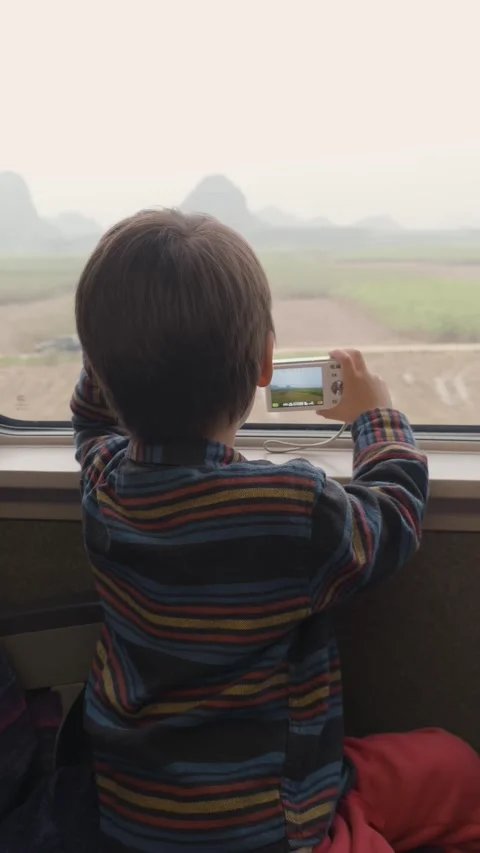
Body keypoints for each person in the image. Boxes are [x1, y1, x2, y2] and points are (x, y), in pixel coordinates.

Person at [70, 209, 480, 853]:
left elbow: (90, 426)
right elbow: (395, 517)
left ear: (101, 368)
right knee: (457, 766)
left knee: (441, 767)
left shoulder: (104, 487)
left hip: (133, 814)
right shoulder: (292, 508)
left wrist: (113, 364)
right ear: (266, 363)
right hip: (275, 827)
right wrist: (376, 417)